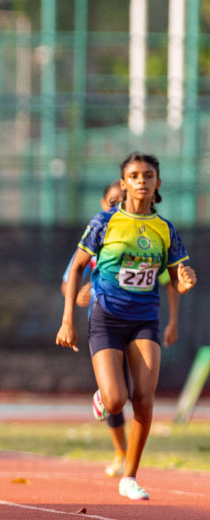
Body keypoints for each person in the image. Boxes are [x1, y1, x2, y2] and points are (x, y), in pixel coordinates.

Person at [58, 152, 197, 500]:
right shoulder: (104, 222)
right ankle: (104, 397)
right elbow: (75, 269)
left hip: (145, 320)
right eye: (134, 175)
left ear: (157, 183)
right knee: (117, 401)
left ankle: (130, 476)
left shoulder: (165, 229)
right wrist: (67, 322)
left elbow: (175, 280)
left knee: (145, 401)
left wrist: (186, 280)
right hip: (106, 317)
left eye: (148, 175)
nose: (141, 180)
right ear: (124, 184)